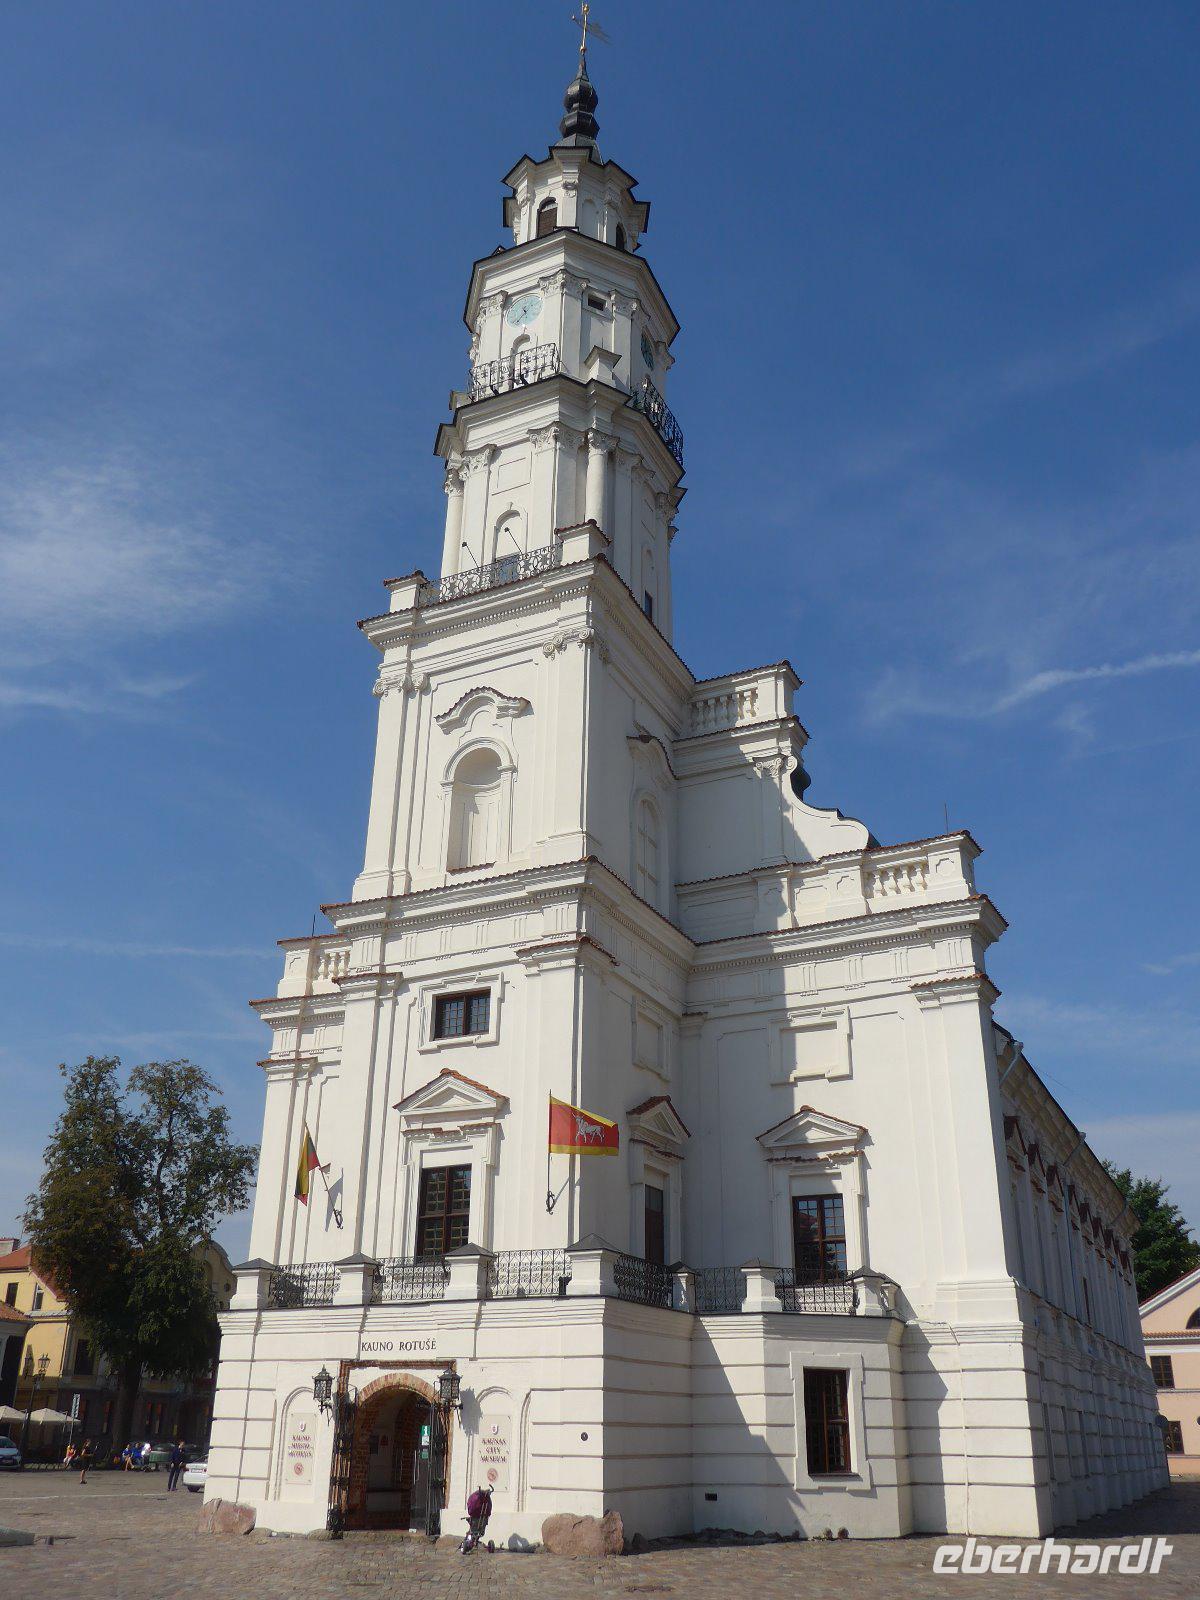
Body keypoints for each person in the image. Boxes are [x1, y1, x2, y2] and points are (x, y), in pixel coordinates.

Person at [459, 1485, 493, 1554]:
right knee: (477, 1531)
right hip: (482, 1522)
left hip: (475, 1520)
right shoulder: (485, 1508)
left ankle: (468, 1544)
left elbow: (472, 1507)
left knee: (472, 1531)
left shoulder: (478, 1506)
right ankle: (473, 1542)